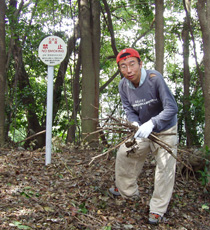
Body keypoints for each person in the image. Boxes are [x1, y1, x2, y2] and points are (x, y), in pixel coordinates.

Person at [109, 48, 178, 225]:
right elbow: (129, 109)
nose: (128, 70)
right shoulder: (123, 85)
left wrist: (153, 123)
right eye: (123, 66)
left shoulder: (155, 79)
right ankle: (127, 191)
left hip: (164, 128)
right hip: (142, 128)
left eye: (132, 64)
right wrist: (134, 123)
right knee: (126, 152)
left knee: (165, 166)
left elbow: (171, 108)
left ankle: (158, 209)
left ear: (140, 64)